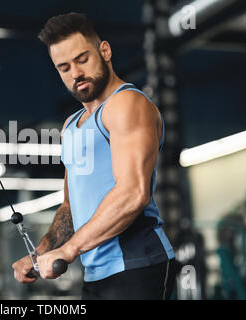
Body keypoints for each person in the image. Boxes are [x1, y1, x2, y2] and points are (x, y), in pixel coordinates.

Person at [12, 12, 176, 300]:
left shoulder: (127, 103)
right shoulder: (70, 126)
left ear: (105, 51)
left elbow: (133, 193)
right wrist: (40, 253)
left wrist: (71, 249)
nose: (75, 73)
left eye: (82, 59)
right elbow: (70, 207)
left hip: (138, 266)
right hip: (96, 273)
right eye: (64, 67)